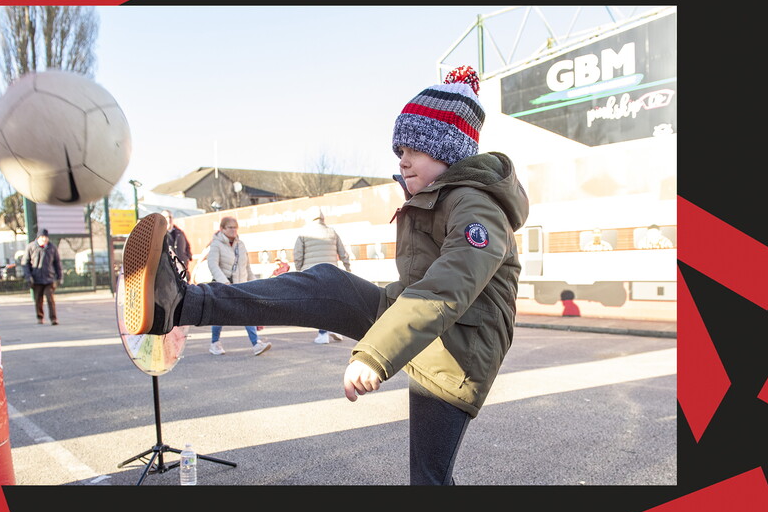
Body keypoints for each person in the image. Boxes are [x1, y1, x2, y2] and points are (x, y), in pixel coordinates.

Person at [120, 65, 528, 485]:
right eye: (398, 149)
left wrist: (375, 353)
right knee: (328, 284)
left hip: (456, 352)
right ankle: (179, 304)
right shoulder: (435, 197)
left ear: (449, 152)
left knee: (428, 479)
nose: (402, 158)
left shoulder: (477, 208)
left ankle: (183, 304)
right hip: (423, 327)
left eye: (414, 149)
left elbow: (448, 287)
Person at [204, 216, 272, 356]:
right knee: (219, 315)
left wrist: (254, 283)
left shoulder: (240, 245)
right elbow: (212, 264)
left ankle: (256, 344)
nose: (234, 230)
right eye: (230, 227)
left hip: (241, 285)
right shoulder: (216, 244)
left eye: (235, 227)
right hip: (224, 286)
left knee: (248, 313)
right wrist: (224, 282)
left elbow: (246, 267)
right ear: (222, 229)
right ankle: (215, 343)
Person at [293, 206, 350, 344]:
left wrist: (300, 270)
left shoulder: (304, 233)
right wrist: (347, 268)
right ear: (323, 217)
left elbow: (297, 255)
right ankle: (336, 329)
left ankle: (323, 334)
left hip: (312, 273)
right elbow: (343, 252)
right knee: (332, 302)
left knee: (318, 304)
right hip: (331, 272)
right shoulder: (331, 232)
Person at [21, 228, 64, 325]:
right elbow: (25, 263)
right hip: (36, 279)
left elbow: (57, 263)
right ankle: (40, 317)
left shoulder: (52, 248)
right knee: (38, 299)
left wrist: (60, 277)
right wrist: (28, 276)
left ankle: (53, 318)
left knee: (50, 298)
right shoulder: (31, 247)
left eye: (46, 237)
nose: (44, 239)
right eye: (42, 237)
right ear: (38, 238)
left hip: (49, 278)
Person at [162, 209, 193, 281]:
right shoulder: (161, 235)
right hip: (169, 272)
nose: (169, 219)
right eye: (166, 217)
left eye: (170, 217)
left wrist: (187, 257)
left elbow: (187, 246)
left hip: (182, 269)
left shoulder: (180, 232)